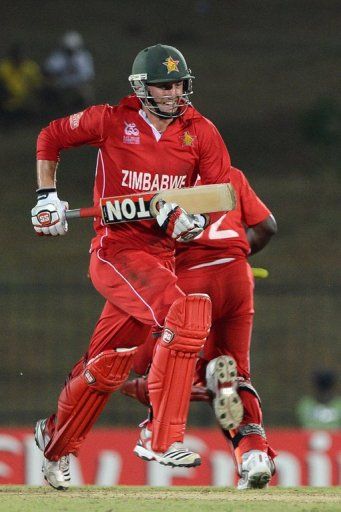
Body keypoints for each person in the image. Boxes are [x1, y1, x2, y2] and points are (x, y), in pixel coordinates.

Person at [30, 43, 232, 490]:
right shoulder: (111, 119)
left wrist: (191, 221)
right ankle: (160, 436)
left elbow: (219, 196)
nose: (174, 92)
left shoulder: (201, 132)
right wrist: (47, 195)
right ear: (142, 88)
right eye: (164, 85)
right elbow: (51, 137)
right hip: (115, 250)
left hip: (159, 259)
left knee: (107, 365)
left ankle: (54, 444)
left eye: (179, 83)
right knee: (187, 314)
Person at [121, 165, 278, 489]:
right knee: (236, 376)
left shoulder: (161, 180)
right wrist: (234, 255)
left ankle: (203, 389)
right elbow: (266, 227)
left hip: (188, 281)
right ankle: (254, 456)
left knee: (141, 369)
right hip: (236, 277)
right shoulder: (231, 174)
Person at [42, 31, 95, 114]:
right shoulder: (58, 56)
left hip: (77, 86)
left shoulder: (83, 57)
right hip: (59, 85)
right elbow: (48, 70)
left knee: (86, 91)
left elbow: (87, 76)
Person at [0, 42, 43, 125]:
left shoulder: (30, 67)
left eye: (19, 56)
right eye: (15, 56)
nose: (17, 58)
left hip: (25, 99)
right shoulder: (4, 67)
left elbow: (38, 85)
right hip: (7, 98)